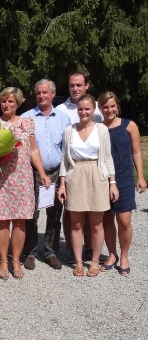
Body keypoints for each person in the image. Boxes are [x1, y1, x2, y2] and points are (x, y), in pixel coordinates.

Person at [0, 87, 50, 280]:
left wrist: (43, 173)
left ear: (18, 103)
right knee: (3, 219)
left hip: (22, 177)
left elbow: (33, 151)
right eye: (4, 101)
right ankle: (3, 260)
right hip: (1, 177)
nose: (6, 104)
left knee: (20, 220)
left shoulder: (25, 123)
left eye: (11, 101)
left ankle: (16, 260)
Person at [57, 94, 119, 278]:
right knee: (76, 223)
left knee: (96, 224)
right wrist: (61, 185)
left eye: (87, 109)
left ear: (94, 110)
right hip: (75, 175)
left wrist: (112, 183)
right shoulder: (69, 130)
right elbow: (64, 160)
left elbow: (107, 157)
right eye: (80, 109)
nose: (83, 112)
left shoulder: (101, 129)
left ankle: (94, 260)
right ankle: (78, 262)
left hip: (97, 175)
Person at [21, 79, 71, 270]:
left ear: (53, 94)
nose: (42, 96)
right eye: (39, 93)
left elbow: (67, 148)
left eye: (45, 93)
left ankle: (50, 252)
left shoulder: (63, 118)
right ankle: (30, 252)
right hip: (33, 173)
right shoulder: (27, 118)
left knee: (54, 213)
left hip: (58, 172)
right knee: (31, 215)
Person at [56, 70, 102, 263]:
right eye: (71, 85)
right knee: (71, 211)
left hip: (94, 167)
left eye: (79, 85)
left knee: (93, 211)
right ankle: (70, 247)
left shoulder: (98, 110)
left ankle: (90, 248)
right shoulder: (61, 110)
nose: (75, 89)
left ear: (87, 86)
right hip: (71, 167)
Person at [98, 91, 146, 276]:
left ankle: (124, 255)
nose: (109, 109)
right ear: (100, 109)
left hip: (124, 176)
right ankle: (112, 254)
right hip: (103, 178)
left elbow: (136, 152)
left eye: (112, 106)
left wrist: (140, 176)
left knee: (124, 221)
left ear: (117, 106)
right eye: (105, 106)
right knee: (107, 219)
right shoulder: (98, 128)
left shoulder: (129, 125)